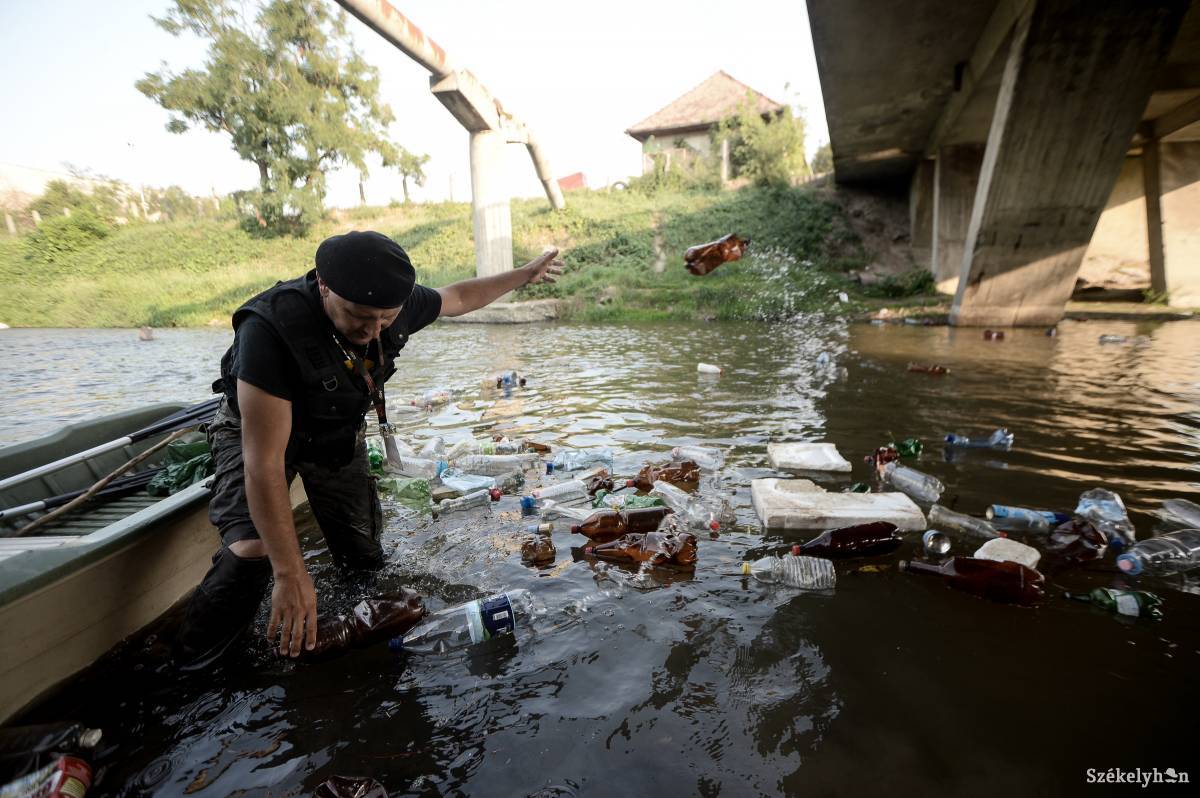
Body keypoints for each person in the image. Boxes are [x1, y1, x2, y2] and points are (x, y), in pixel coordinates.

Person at [174, 231, 563, 668]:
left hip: (334, 431)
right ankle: (193, 666)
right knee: (253, 551)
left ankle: (343, 647)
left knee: (362, 556)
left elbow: (460, 295)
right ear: (323, 285)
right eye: (359, 316)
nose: (372, 328)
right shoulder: (269, 327)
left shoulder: (395, 306)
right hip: (257, 432)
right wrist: (290, 572)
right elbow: (263, 463)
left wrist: (525, 274)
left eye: (385, 318)